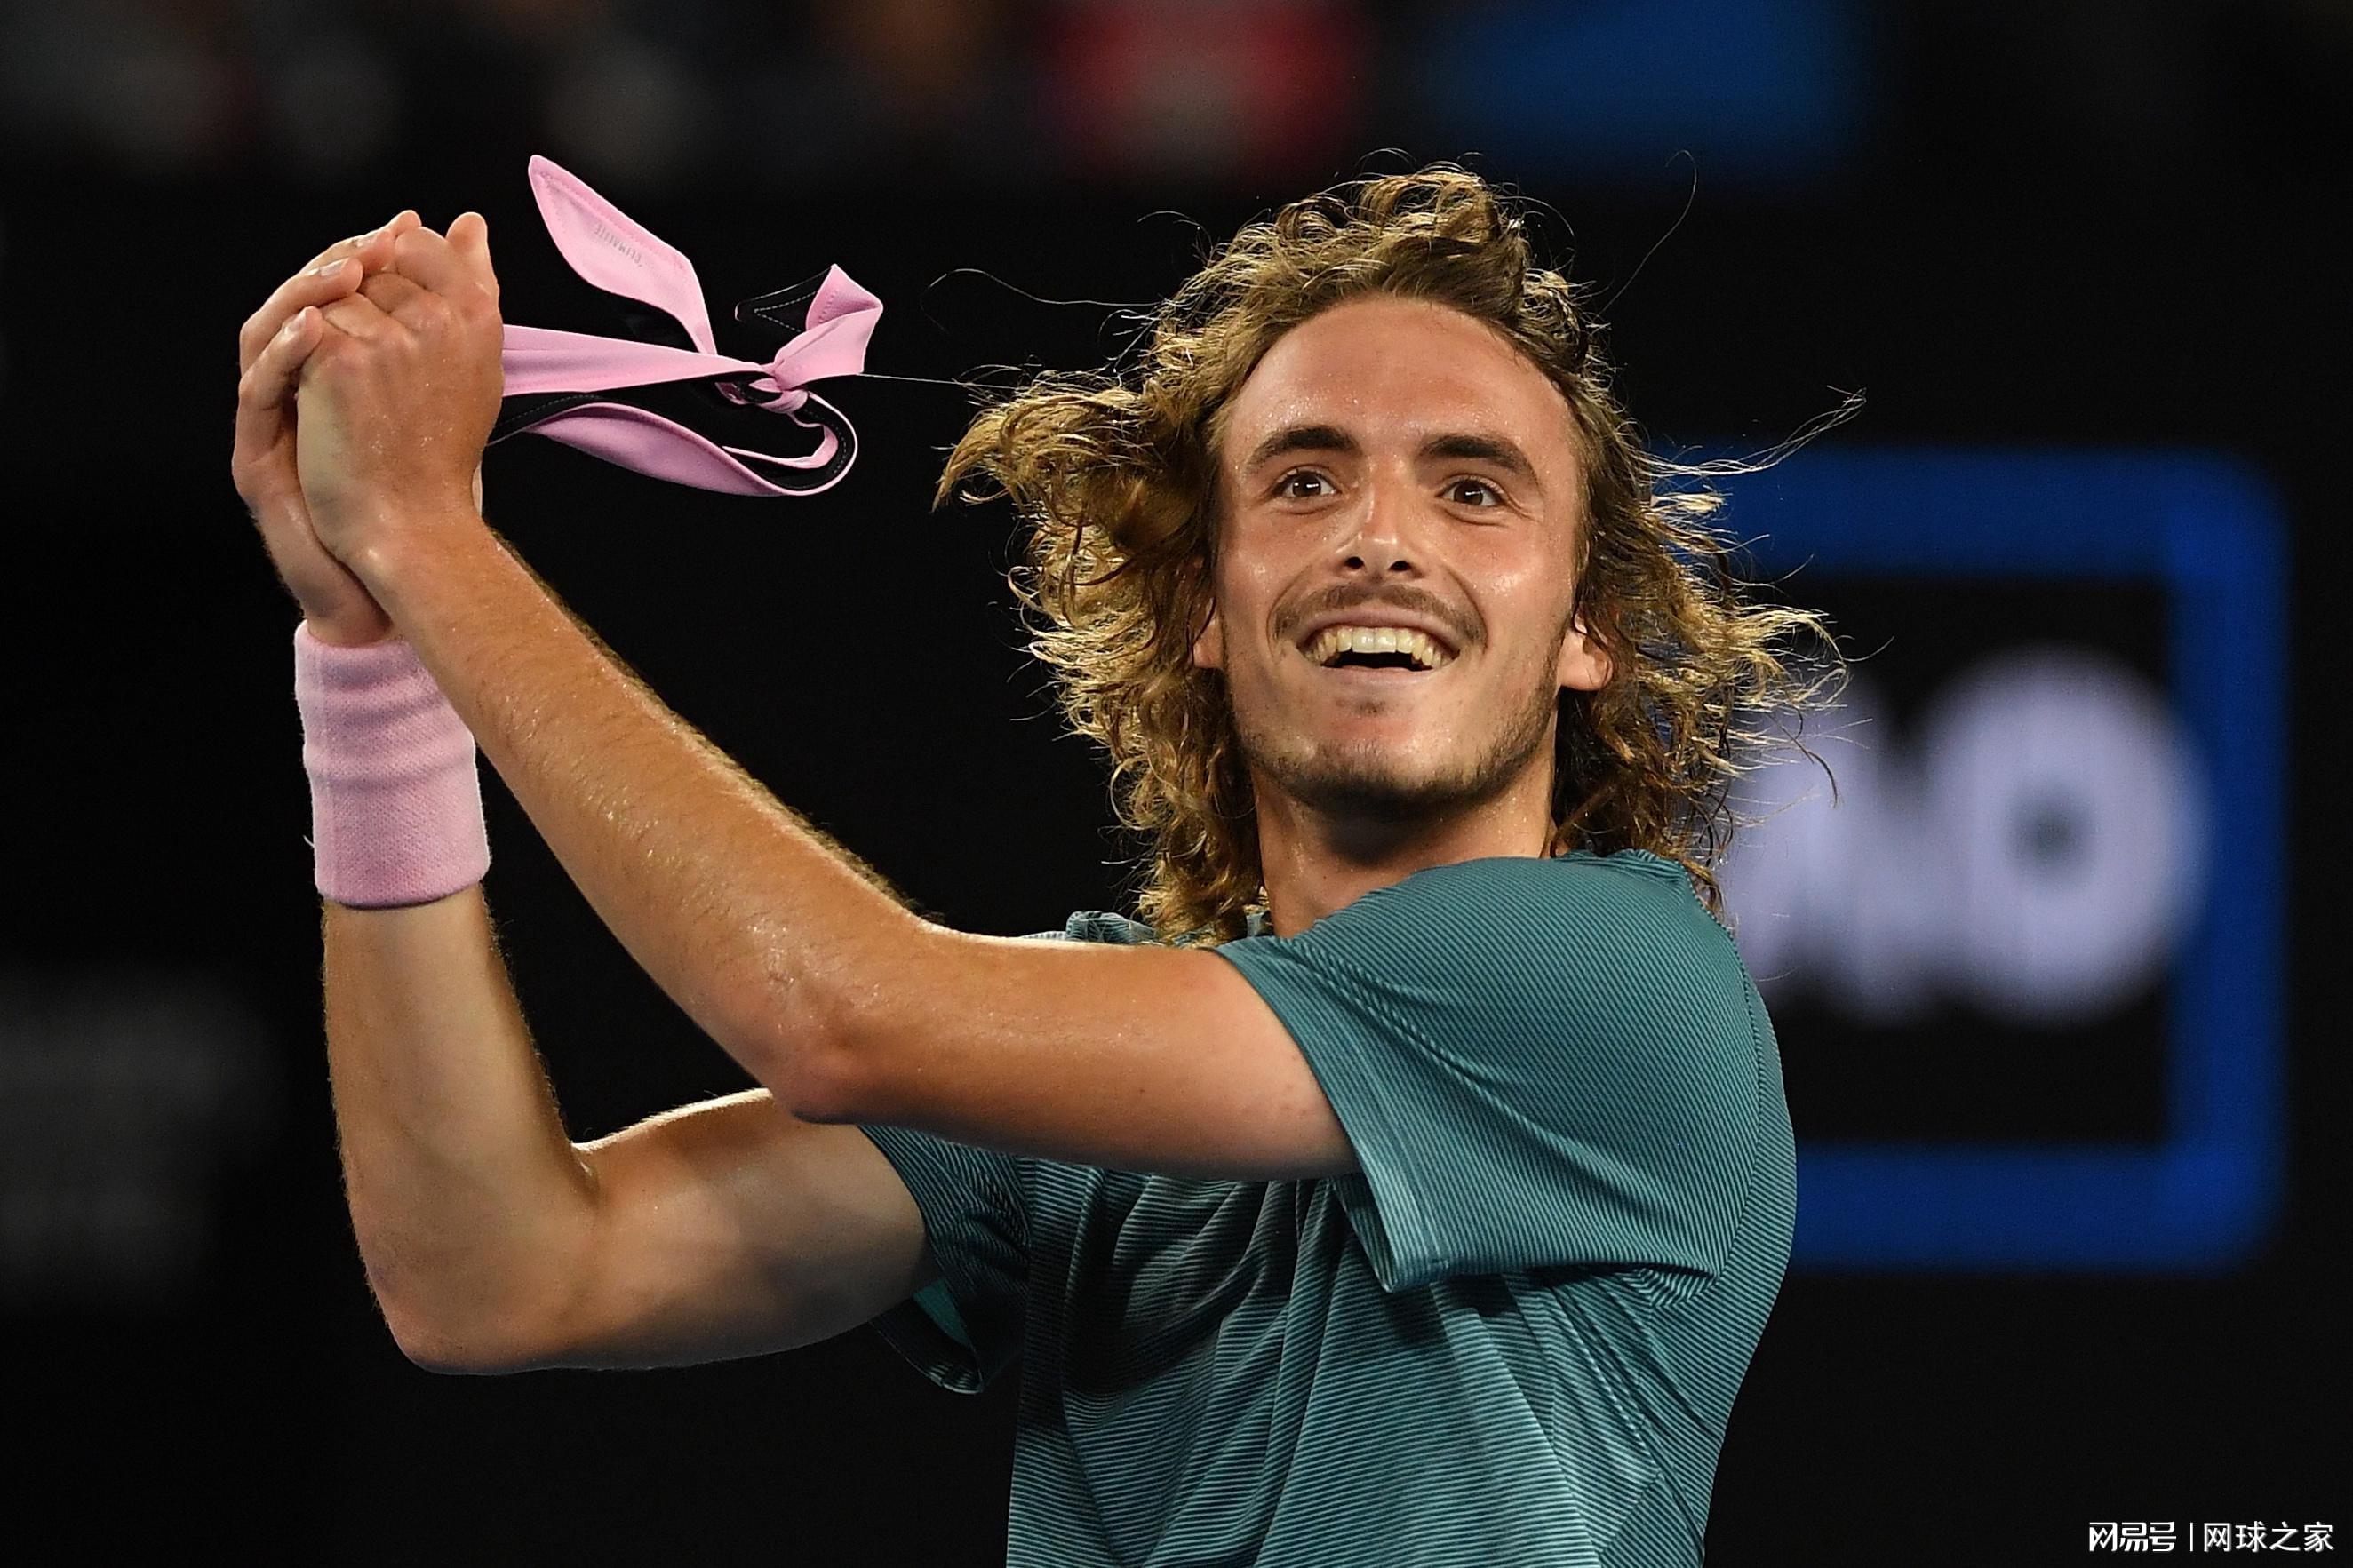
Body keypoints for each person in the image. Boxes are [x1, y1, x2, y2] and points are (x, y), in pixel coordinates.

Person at [230, 169, 1839, 1566]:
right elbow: (496, 1273)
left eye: (1472, 488)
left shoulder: (1619, 981)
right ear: (1203, 607)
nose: (1381, 537)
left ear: (1587, 631)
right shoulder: (1089, 1117)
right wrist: (370, 649)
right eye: (1303, 479)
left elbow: (838, 1015)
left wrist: (428, 538)